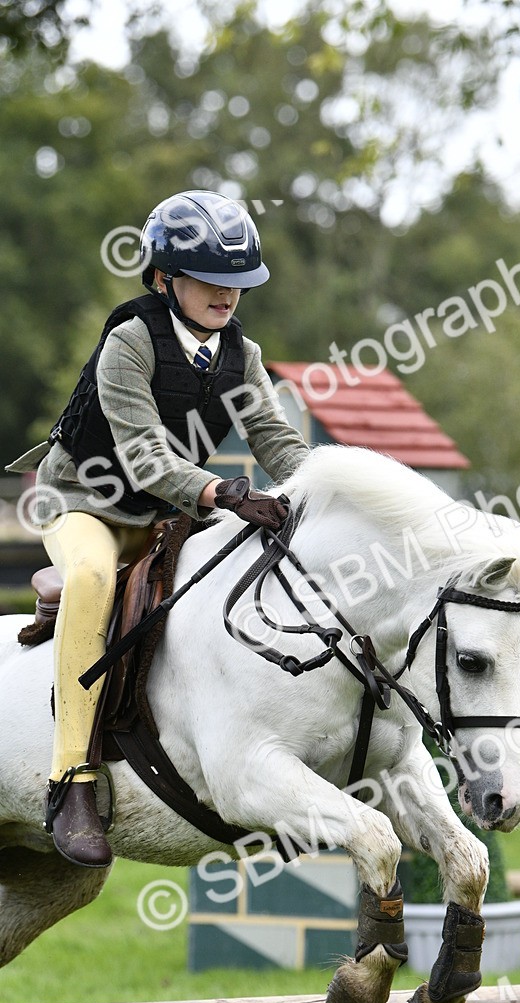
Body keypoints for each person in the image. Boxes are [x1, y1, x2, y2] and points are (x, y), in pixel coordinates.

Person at [6, 190, 311, 869]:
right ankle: (71, 780)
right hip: (84, 503)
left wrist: (326, 489)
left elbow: (275, 439)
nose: (228, 295)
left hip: (164, 512)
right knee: (91, 581)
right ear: (162, 279)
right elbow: (143, 454)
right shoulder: (130, 341)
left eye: (238, 283)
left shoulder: (243, 355)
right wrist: (220, 491)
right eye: (211, 279)